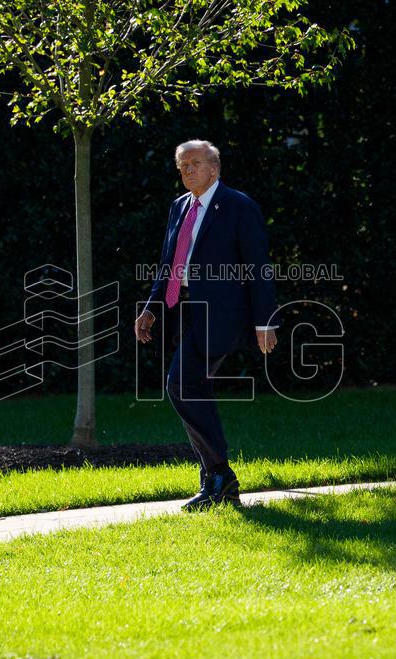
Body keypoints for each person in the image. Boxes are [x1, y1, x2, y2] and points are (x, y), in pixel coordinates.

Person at [135, 139, 279, 512]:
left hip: (223, 314)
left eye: (195, 164)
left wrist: (265, 321)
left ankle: (219, 475)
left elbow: (258, 267)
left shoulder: (238, 206)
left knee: (180, 383)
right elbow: (169, 262)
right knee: (189, 386)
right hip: (184, 310)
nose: (187, 171)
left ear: (214, 168)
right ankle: (217, 479)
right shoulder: (179, 206)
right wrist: (151, 308)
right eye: (182, 166)